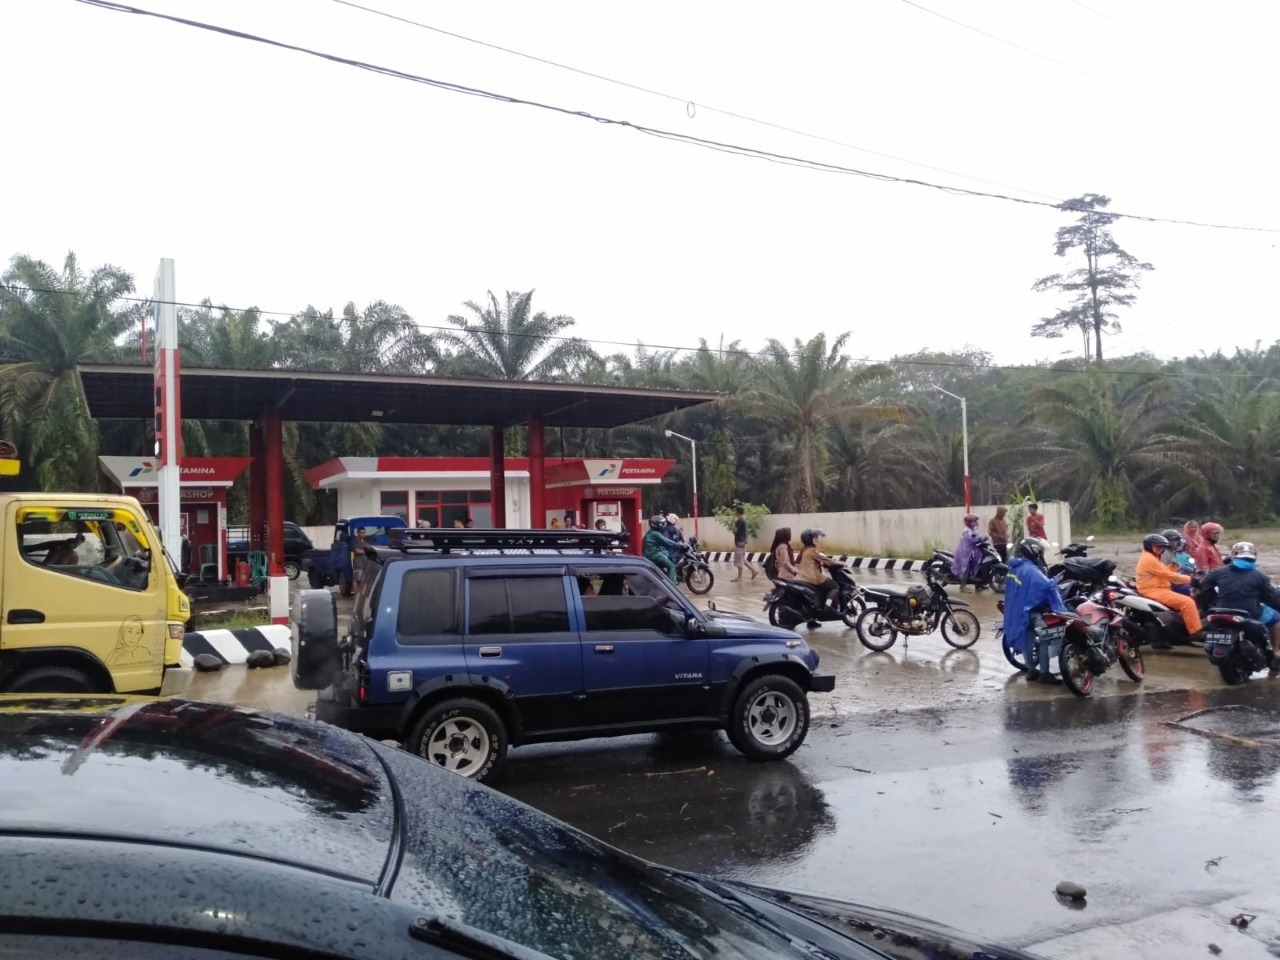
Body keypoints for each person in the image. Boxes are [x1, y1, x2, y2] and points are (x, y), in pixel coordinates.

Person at [1198, 541, 1280, 676]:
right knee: (1277, 618)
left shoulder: (1218, 573)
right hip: (1249, 612)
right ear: (1254, 556)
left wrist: (1211, 603)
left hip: (1220, 610)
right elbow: (1269, 597)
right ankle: (1276, 652)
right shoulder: (1259, 576)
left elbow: (1204, 587)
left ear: (1234, 555)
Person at [1003, 537, 1068, 682]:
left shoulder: (1014, 567)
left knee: (1028, 640)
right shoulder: (1031, 570)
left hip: (1019, 610)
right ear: (1033, 552)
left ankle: (1031, 671)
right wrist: (1057, 579)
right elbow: (1046, 586)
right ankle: (1044, 674)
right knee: (1045, 638)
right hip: (1031, 610)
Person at [1136, 533, 1202, 645]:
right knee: (1188, 602)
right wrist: (1191, 580)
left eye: (1162, 547)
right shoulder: (1149, 559)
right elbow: (1167, 575)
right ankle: (1196, 632)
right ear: (1150, 547)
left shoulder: (1153, 557)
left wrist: (1174, 567)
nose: (1161, 549)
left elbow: (1164, 571)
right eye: (1158, 547)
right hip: (1153, 590)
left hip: (1159, 588)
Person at [795, 528, 841, 606]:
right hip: (813, 578)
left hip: (803, 577)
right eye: (815, 537)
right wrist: (839, 562)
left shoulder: (805, 549)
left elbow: (814, 560)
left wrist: (822, 563)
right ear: (809, 539)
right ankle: (828, 605)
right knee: (835, 586)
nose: (817, 540)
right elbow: (825, 559)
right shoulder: (812, 550)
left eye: (817, 537)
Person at [642, 515, 681, 583]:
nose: (664, 525)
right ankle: (671, 587)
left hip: (650, 553)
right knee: (671, 566)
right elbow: (666, 541)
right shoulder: (656, 534)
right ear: (658, 525)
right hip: (653, 554)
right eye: (662, 524)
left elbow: (658, 543)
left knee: (665, 553)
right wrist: (679, 545)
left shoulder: (651, 532)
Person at [951, 513, 985, 589]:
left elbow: (978, 536)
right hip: (964, 554)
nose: (976, 523)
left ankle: (978, 585)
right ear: (969, 522)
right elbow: (973, 540)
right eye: (974, 521)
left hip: (971, 552)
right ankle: (962, 587)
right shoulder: (966, 531)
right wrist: (982, 538)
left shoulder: (973, 530)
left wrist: (983, 537)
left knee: (979, 565)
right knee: (966, 568)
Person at [1160, 528, 1196, 595]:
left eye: (1176, 540)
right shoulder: (1163, 553)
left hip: (1174, 580)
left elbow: (1177, 567)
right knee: (1192, 591)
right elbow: (1165, 573)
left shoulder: (1172, 552)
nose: (1174, 543)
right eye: (1171, 541)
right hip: (1168, 584)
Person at [730, 505, 757, 582]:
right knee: (742, 559)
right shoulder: (744, 521)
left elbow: (735, 531)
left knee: (739, 559)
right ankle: (753, 571)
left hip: (740, 542)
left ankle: (739, 577)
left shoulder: (739, 521)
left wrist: (732, 528)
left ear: (737, 512)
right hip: (744, 542)